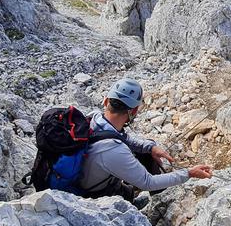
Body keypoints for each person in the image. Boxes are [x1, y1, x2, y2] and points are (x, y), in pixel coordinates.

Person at [80, 77, 213, 206]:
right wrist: (189, 173)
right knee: (127, 192)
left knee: (145, 152)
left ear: (106, 101)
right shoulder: (113, 150)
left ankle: (138, 195)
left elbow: (123, 138)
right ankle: (156, 203)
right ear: (133, 111)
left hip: (86, 177)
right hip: (94, 195)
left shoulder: (94, 118)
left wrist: (150, 148)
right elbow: (148, 182)